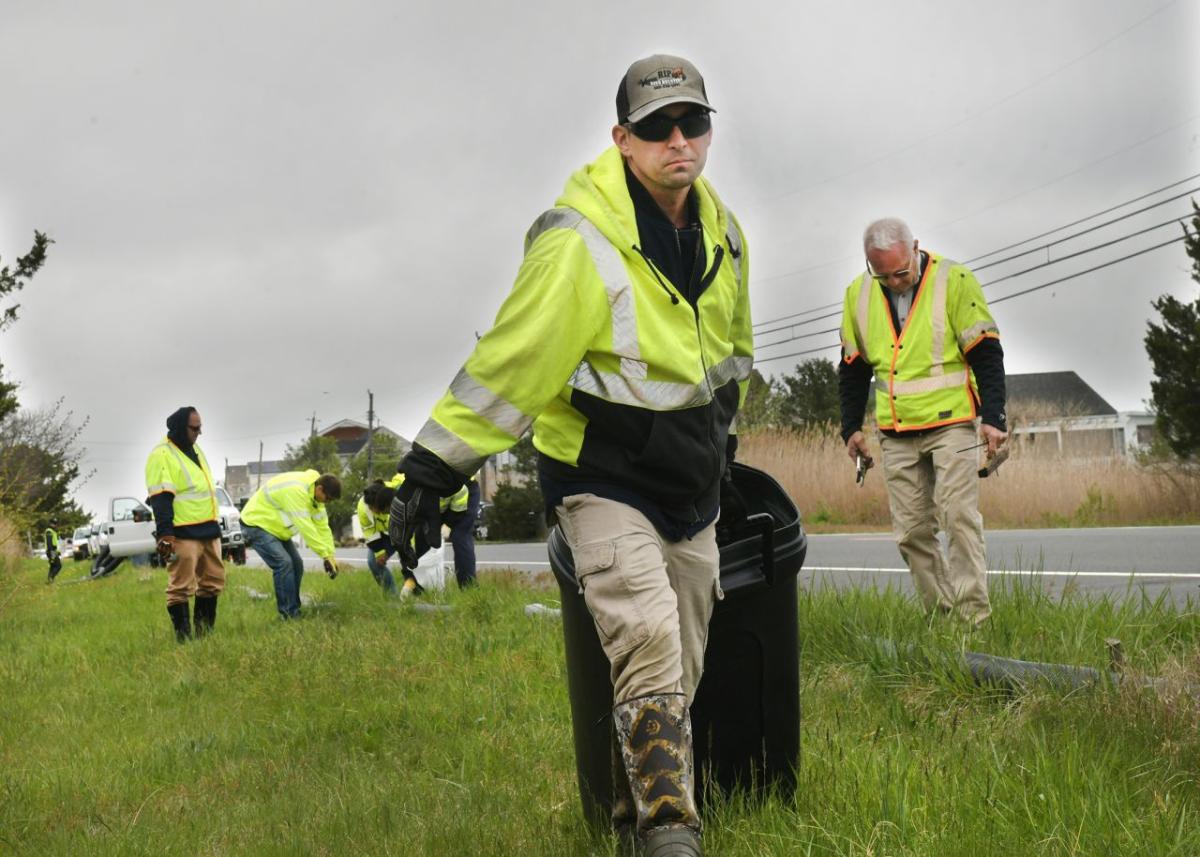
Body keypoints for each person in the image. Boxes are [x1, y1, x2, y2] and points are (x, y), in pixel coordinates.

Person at [389, 54, 750, 857]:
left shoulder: (723, 233)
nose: (679, 141)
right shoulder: (579, 242)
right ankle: (671, 834)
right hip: (602, 477)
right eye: (657, 129)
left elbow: (732, 356)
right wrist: (431, 468)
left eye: (693, 123)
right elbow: (513, 362)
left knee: (675, 670)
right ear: (623, 140)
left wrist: (725, 442)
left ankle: (631, 825)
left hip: (691, 483)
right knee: (648, 639)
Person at [839, 217, 1007, 625]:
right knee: (912, 533)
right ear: (868, 265)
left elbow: (986, 352)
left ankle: (974, 622)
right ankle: (943, 620)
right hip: (896, 433)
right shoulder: (857, 294)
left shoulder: (954, 279)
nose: (895, 282)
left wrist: (994, 417)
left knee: (958, 520)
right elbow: (853, 367)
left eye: (901, 272)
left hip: (952, 425)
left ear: (915, 248)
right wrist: (852, 428)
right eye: (883, 276)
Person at [144, 407, 226, 642]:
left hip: (208, 529)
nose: (199, 432)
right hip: (182, 534)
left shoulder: (195, 449)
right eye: (195, 428)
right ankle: (184, 641)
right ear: (180, 427)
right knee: (181, 587)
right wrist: (165, 535)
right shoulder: (162, 455)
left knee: (212, 583)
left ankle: (204, 638)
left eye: (200, 427)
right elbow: (160, 498)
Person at [240, 470, 341, 619]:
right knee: (284, 563)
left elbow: (323, 528)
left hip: (275, 528)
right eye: (328, 499)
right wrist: (324, 555)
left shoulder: (316, 498)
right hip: (256, 524)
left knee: (297, 564)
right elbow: (307, 528)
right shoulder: (296, 492)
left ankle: (293, 609)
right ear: (320, 489)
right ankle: (288, 614)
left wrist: (330, 556)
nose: (327, 503)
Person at [359, 472, 472, 599]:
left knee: (455, 539)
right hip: (433, 509)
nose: (378, 513)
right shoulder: (401, 507)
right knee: (421, 550)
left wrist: (449, 522)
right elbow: (402, 542)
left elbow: (460, 492)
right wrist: (408, 573)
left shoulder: (415, 494)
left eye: (385, 511)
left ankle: (466, 590)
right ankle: (415, 591)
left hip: (461, 497)